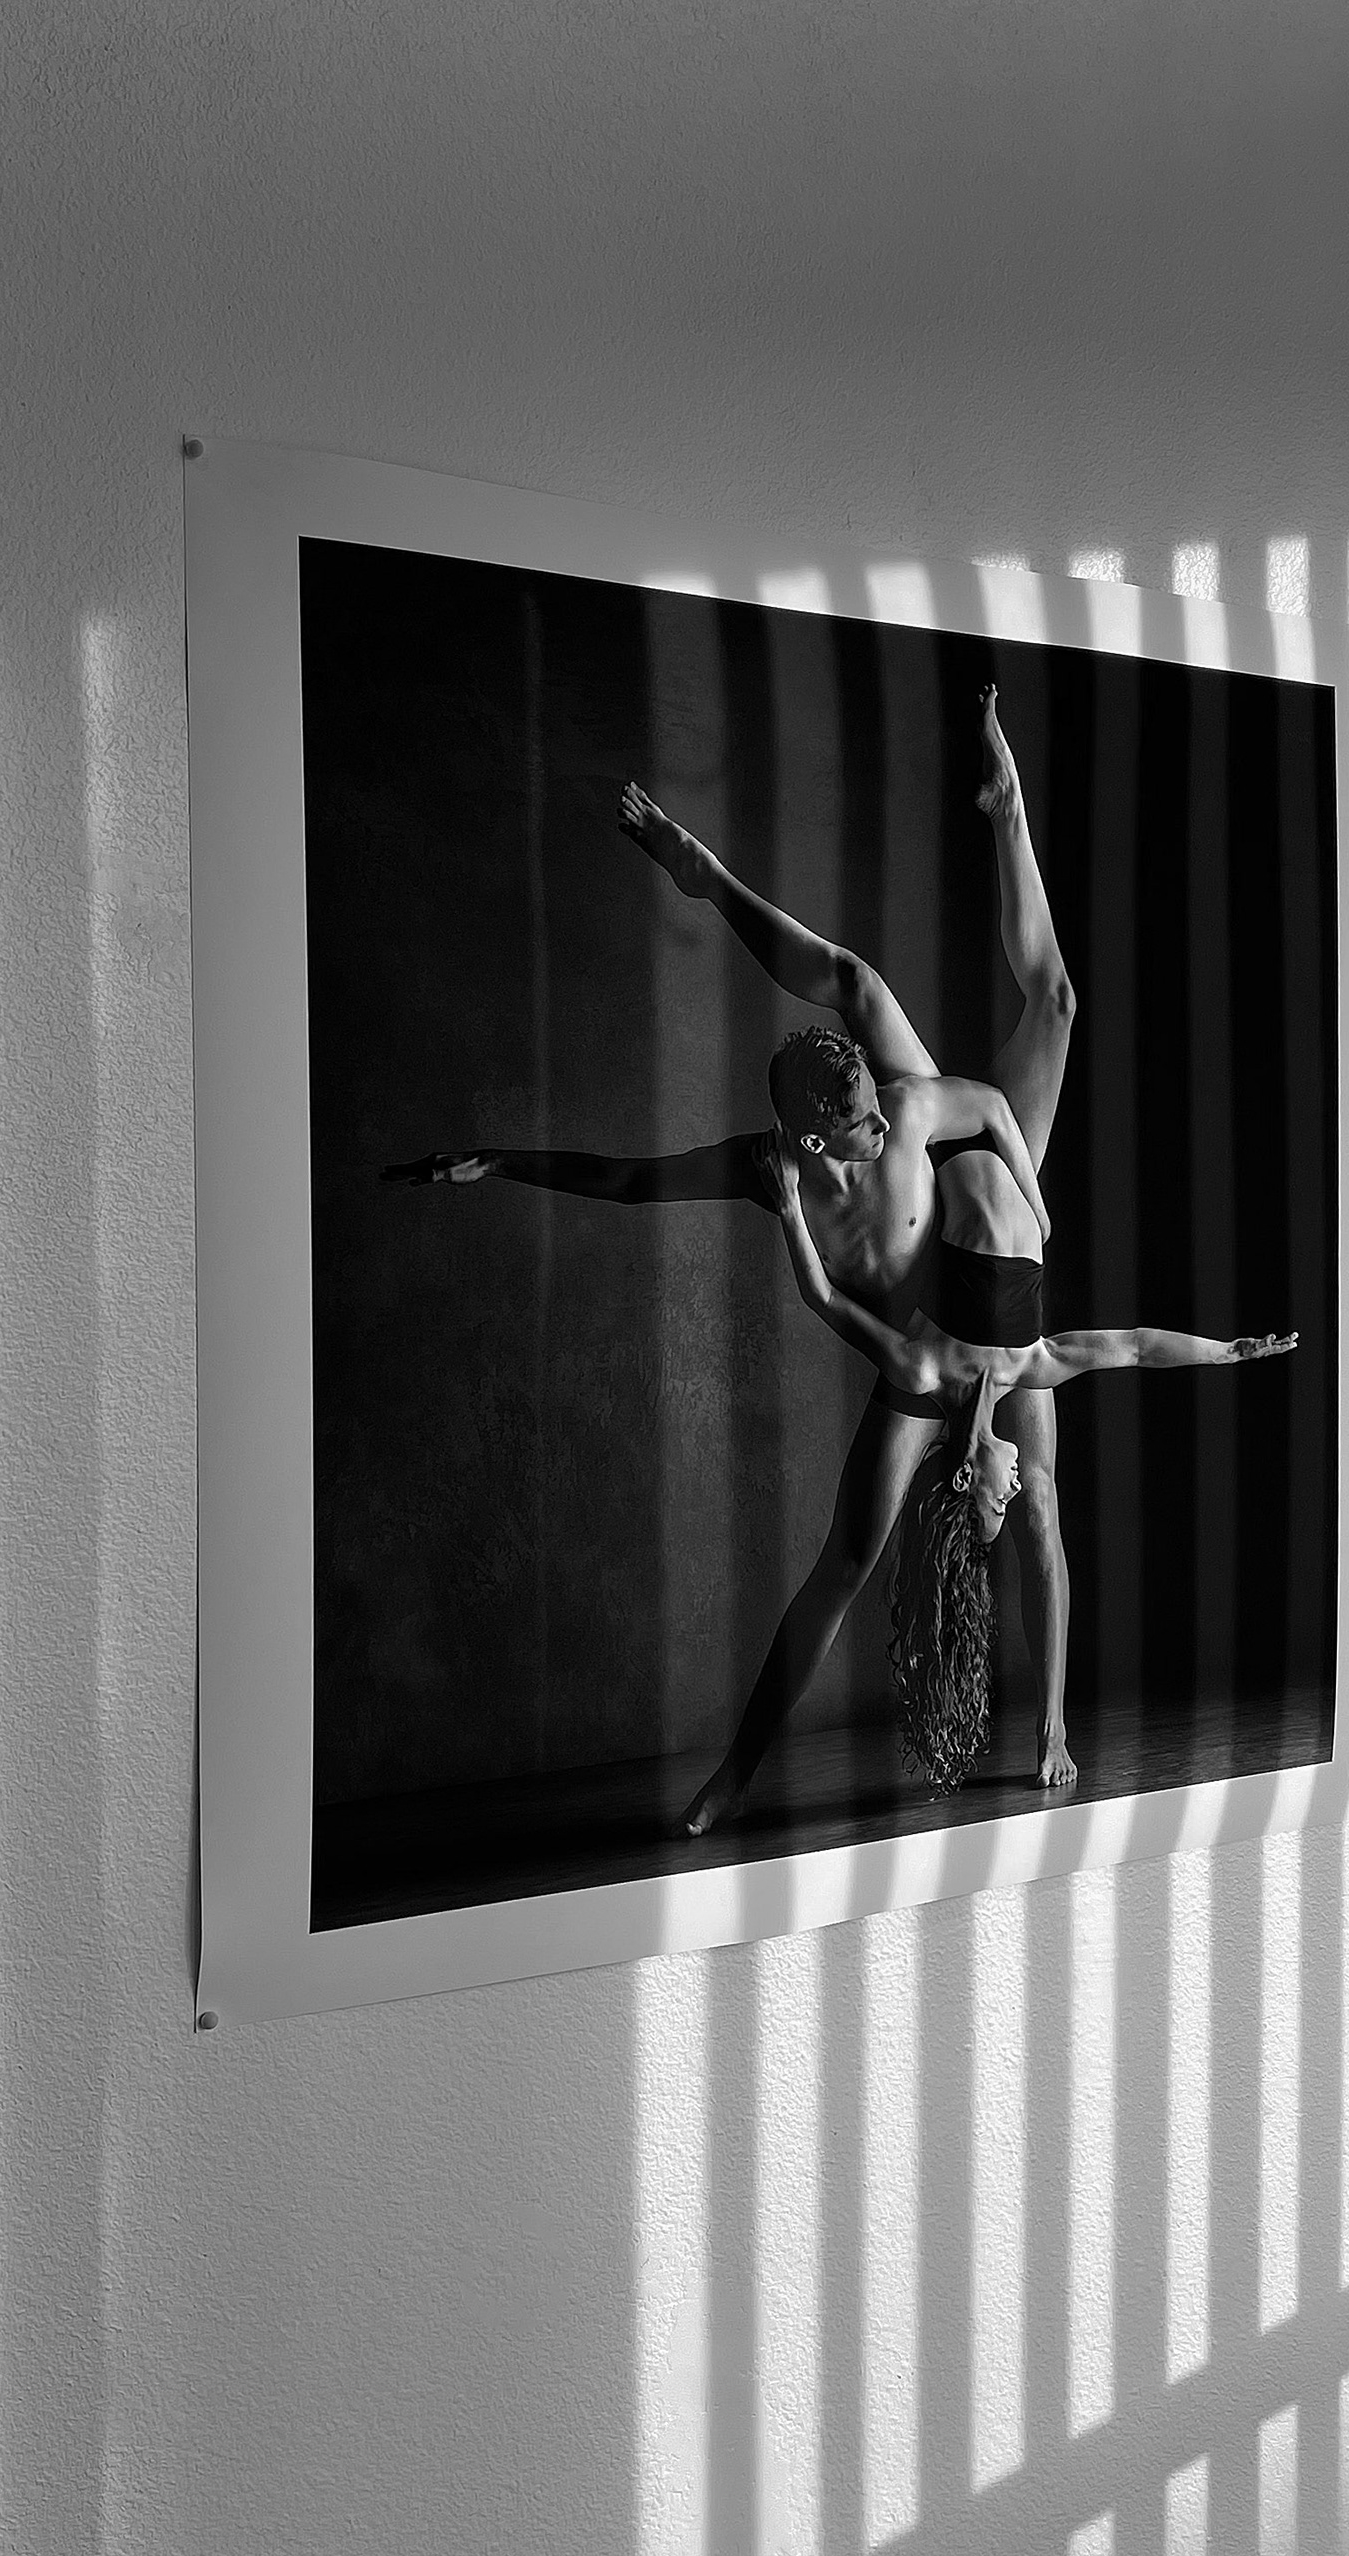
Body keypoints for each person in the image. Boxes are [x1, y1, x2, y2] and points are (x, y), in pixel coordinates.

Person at [387, 690, 1082, 1825]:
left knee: (1034, 998)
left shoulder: (904, 1105)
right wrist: (503, 1161)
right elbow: (630, 1180)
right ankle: (736, 1775)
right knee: (846, 1562)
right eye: (857, 1114)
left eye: (876, 1095)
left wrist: (705, 875)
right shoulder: (775, 1171)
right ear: (813, 1140)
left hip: (995, 1266)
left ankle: (1051, 1721)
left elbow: (962, 1084)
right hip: (920, 1360)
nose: (881, 1107)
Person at [757, 1131, 1294, 1785]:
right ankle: (1051, 1729)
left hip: (950, 1140)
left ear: (965, 1475)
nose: (1011, 1493)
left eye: (996, 1504)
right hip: (1017, 1154)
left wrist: (789, 1203)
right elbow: (1133, 1347)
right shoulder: (1032, 1365)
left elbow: (825, 1299)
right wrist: (1227, 1352)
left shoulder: (924, 1369)